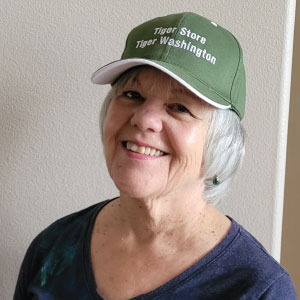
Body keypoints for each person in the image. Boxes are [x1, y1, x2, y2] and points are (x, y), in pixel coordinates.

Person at [14, 12, 297, 300]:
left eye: (179, 107)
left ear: (221, 143)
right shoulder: (52, 249)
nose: (144, 118)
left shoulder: (258, 288)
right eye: (132, 95)